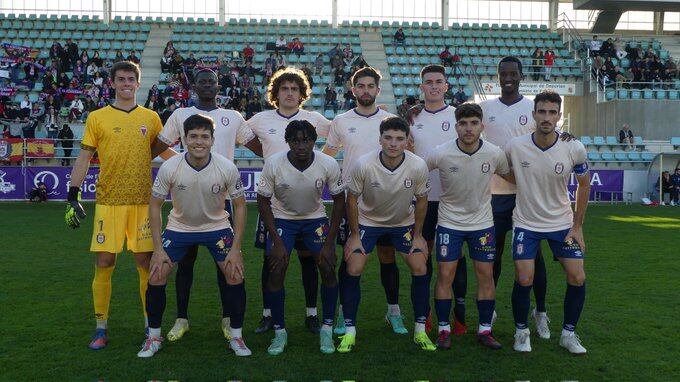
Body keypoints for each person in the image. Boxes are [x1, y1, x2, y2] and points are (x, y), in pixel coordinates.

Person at [150, 68, 263, 343]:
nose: (207, 85)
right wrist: (175, 160)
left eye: (211, 81)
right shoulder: (180, 115)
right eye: (201, 81)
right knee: (184, 264)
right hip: (186, 196)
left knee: (225, 266)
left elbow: (259, 147)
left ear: (218, 85)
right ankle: (181, 319)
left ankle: (228, 318)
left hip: (221, 194)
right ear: (194, 86)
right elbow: (156, 147)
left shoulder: (232, 117)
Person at [64, 61, 163, 350]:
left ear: (138, 82)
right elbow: (84, 158)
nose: (126, 84)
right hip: (108, 202)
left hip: (143, 203)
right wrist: (73, 193)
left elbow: (165, 151)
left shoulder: (151, 117)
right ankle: (100, 328)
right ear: (112, 83)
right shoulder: (97, 117)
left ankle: (150, 325)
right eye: (120, 79)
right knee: (105, 263)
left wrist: (193, 171)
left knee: (145, 264)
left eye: (131, 79)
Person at [139, 114, 250, 358]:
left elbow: (241, 206)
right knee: (156, 274)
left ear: (212, 140)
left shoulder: (226, 167)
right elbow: (155, 205)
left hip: (217, 228)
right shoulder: (170, 166)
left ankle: (237, 336)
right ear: (184, 139)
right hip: (180, 228)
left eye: (204, 137)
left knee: (234, 273)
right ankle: (154, 338)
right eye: (193, 137)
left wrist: (236, 249)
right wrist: (157, 249)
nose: (199, 142)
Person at [246, 67, 332, 334]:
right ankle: (268, 314)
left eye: (295, 89)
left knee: (310, 261)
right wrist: (268, 157)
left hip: (309, 205)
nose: (290, 93)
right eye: (284, 88)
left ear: (302, 93)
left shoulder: (314, 119)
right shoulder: (261, 119)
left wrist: (326, 156)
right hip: (274, 204)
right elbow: (241, 135)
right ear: (276, 92)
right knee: (271, 261)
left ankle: (311, 313)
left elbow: (341, 135)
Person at [337, 116, 432, 353]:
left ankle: (420, 330)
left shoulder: (417, 165)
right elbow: (352, 199)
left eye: (399, 139)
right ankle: (350, 330)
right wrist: (355, 234)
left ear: (406, 141)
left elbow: (422, 201)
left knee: (420, 266)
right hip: (369, 222)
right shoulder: (363, 164)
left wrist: (418, 235)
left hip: (403, 224)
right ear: (380, 139)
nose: (393, 143)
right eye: (388, 138)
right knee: (354, 267)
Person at [322, 67, 406, 336]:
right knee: (351, 257)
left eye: (371, 86)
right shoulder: (341, 121)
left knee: (387, 256)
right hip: (353, 202)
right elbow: (328, 155)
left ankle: (393, 311)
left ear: (378, 90)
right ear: (353, 89)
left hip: (387, 201)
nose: (366, 90)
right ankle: (343, 314)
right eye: (361, 86)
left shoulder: (391, 120)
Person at [506, 90, 590, 355]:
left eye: (552, 112)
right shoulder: (516, 146)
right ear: (533, 115)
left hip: (561, 223)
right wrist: (524, 181)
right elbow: (502, 170)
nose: (546, 117)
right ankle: (521, 331)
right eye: (541, 111)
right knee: (524, 276)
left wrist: (577, 226)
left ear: (559, 116)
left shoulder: (573, 146)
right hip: (526, 222)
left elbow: (584, 185)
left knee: (577, 276)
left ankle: (568, 334)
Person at [475, 56, 554, 337]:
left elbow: (548, 135)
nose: (508, 77)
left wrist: (565, 134)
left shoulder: (533, 109)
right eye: (503, 73)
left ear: (521, 76)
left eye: (513, 73)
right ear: (497, 76)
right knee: (491, 256)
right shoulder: (485, 108)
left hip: (525, 195)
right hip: (494, 195)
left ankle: (540, 311)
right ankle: (490, 310)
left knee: (535, 259)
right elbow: (464, 127)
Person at [426, 102, 510, 350]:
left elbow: (513, 176)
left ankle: (485, 330)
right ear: (456, 127)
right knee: (445, 275)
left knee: (485, 276)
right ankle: (443, 329)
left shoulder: (494, 153)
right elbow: (416, 171)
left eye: (474, 123)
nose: (468, 128)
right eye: (463, 123)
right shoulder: (441, 152)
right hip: (449, 224)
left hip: (482, 224)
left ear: (482, 126)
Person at [257, 120, 345, 355]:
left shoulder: (327, 163)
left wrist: (329, 243)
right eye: (295, 140)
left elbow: (339, 201)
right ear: (288, 142)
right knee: (276, 268)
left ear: (314, 141)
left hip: (315, 219)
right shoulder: (274, 163)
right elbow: (263, 201)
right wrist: (276, 240)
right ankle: (279, 332)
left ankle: (326, 328)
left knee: (327, 267)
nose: (301, 145)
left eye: (306, 140)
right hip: (283, 219)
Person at [408, 64, 458, 332]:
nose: (434, 86)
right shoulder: (411, 118)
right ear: (422, 87)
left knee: (452, 259)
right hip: (423, 199)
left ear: (446, 86)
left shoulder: (459, 115)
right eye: (429, 82)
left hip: (453, 199)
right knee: (422, 257)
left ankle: (456, 314)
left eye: (439, 81)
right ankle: (423, 314)